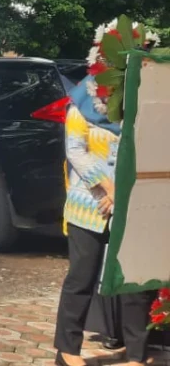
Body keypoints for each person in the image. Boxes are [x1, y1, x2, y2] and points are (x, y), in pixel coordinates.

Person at [54, 72, 154, 366]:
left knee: (132, 280)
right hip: (90, 205)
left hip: (129, 204)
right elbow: (75, 151)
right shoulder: (79, 106)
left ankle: (136, 352)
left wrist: (122, 192)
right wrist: (108, 187)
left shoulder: (135, 109)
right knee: (81, 277)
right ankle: (67, 350)